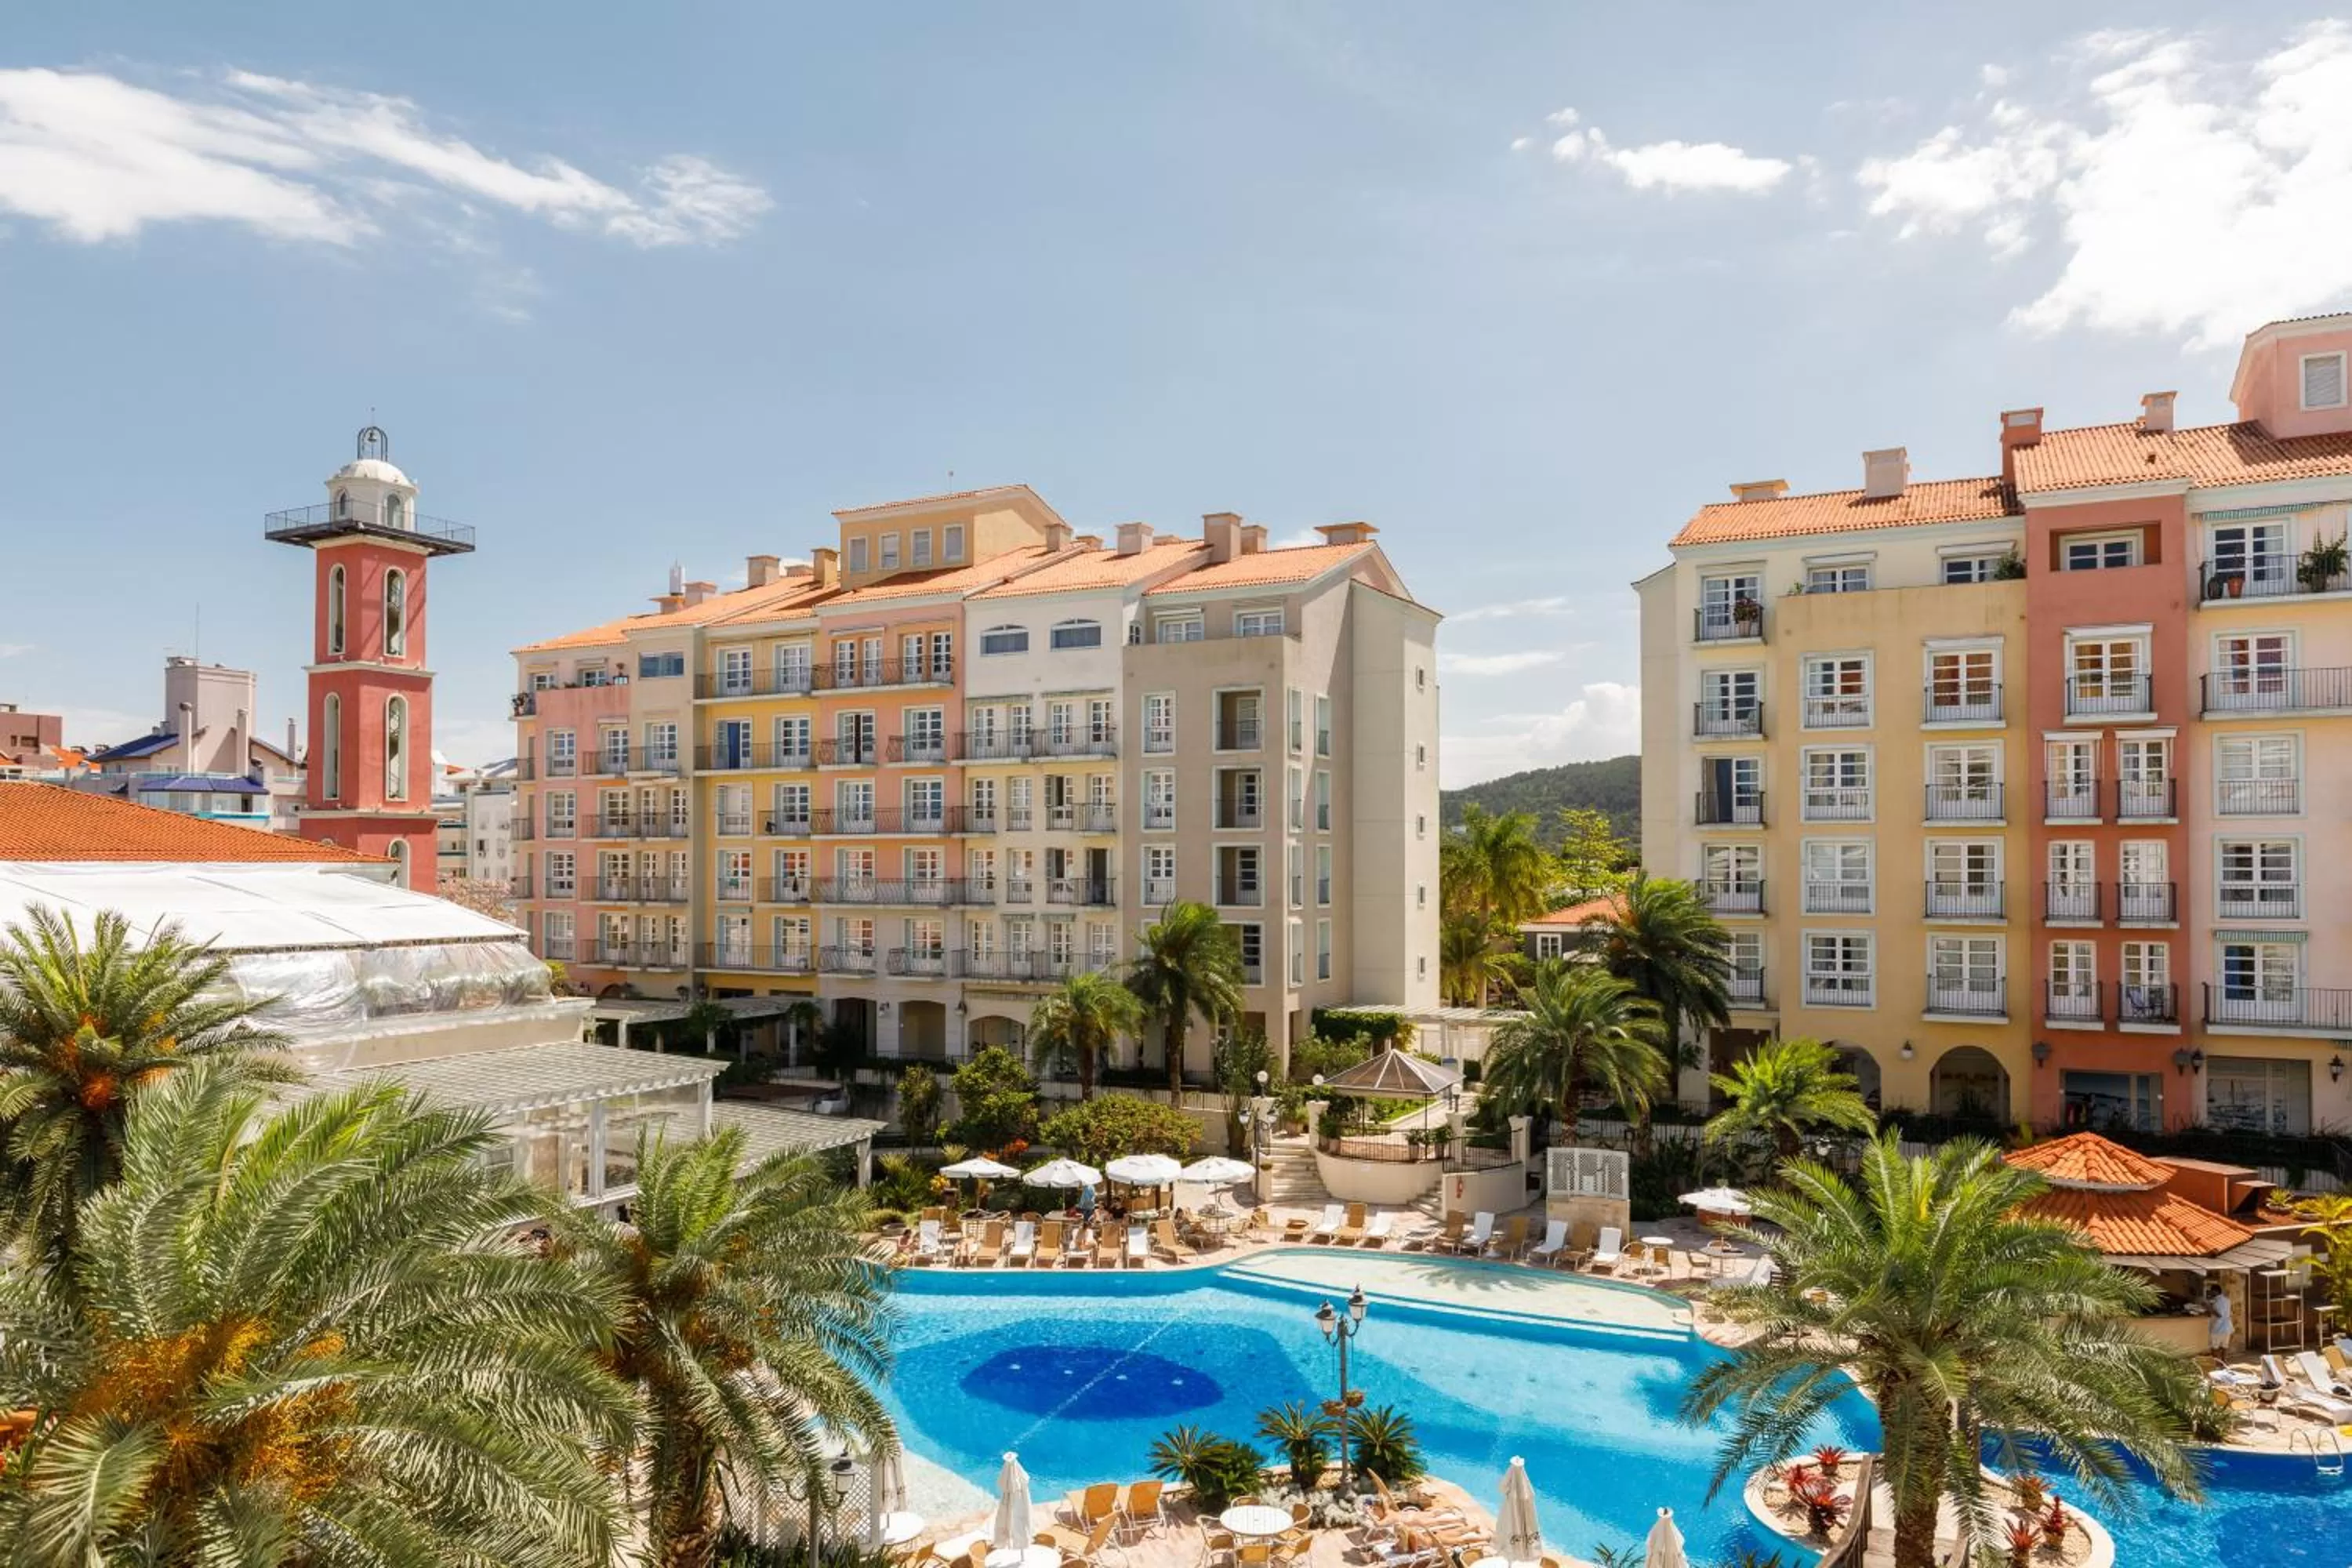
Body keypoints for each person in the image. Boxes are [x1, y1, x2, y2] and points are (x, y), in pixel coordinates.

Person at [2206, 1282, 2234, 1352]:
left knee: (2214, 1348)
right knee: (2224, 1347)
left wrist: (2208, 1307)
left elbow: (2219, 1315)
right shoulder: (2227, 1300)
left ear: (2216, 1291)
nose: (2210, 1293)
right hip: (2227, 1328)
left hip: (2218, 1328)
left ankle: (2216, 1362)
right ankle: (2223, 1362)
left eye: (2211, 1291)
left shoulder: (2218, 1301)